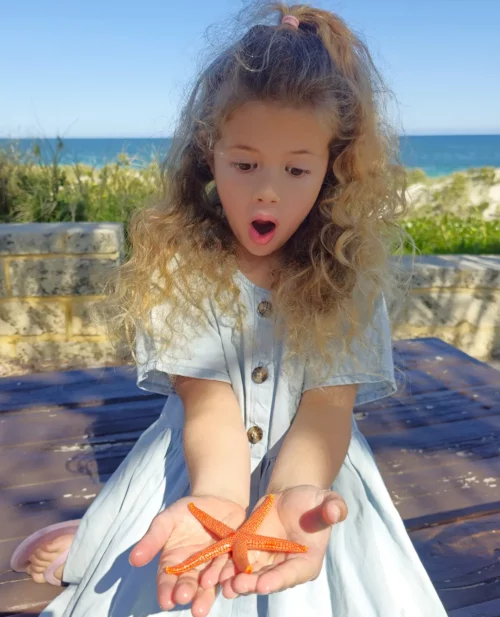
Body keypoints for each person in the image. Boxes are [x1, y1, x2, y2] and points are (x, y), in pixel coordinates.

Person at [10, 2, 448, 616]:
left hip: (315, 467)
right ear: (207, 153)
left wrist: (295, 490)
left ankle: (90, 543)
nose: (268, 188)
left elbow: (327, 407)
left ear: (332, 170)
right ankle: (92, 542)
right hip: (196, 461)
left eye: (297, 168)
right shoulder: (182, 264)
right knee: (137, 562)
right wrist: (220, 497)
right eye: (244, 164)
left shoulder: (347, 277)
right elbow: (207, 400)